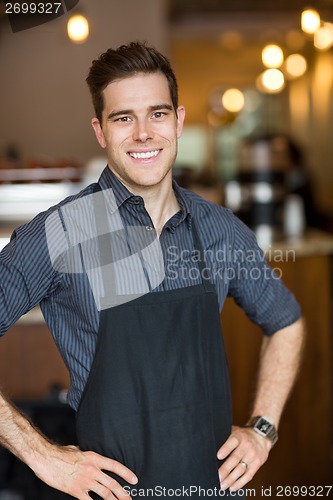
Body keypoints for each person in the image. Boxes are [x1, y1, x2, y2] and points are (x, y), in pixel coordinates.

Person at [0, 42, 304, 499]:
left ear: (178, 121)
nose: (144, 133)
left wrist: (262, 430)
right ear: (100, 131)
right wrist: (42, 455)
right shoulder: (60, 232)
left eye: (157, 114)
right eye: (124, 118)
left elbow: (286, 323)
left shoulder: (219, 228)